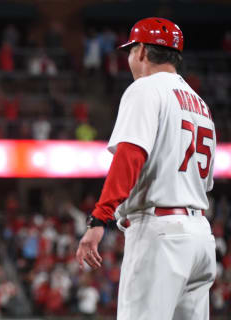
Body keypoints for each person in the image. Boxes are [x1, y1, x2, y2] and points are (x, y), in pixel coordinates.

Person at [76, 17, 216, 320]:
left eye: (130, 50)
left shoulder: (145, 89)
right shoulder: (200, 104)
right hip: (200, 235)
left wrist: (99, 218)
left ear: (141, 51)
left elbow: (129, 156)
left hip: (161, 233)